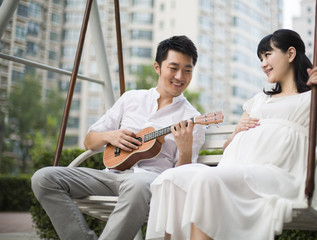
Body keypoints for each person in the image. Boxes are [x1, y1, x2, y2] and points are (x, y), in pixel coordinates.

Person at [145, 29, 317, 240]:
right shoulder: (259, 99)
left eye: (268, 55)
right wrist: (235, 132)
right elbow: (227, 148)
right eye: (261, 58)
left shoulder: (316, 97)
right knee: (170, 178)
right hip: (235, 170)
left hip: (277, 174)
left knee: (205, 180)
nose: (263, 63)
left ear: (290, 54)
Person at [31, 35, 206, 240]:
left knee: (138, 182)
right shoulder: (131, 99)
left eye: (187, 70)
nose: (180, 76)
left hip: (151, 183)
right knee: (44, 178)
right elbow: (89, 141)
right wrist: (110, 136)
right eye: (173, 68)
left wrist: (184, 151)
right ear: (157, 67)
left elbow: (181, 181)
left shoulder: (192, 119)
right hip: (110, 176)